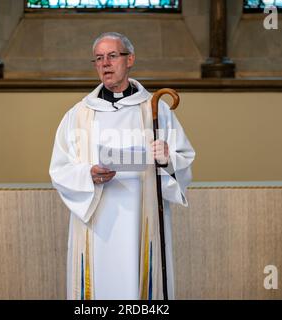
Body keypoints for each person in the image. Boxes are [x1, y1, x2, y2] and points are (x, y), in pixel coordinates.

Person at [49, 32, 195, 300]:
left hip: (143, 215)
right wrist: (87, 174)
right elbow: (59, 169)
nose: (105, 63)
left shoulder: (155, 110)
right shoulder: (78, 114)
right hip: (96, 221)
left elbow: (183, 159)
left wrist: (166, 158)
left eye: (112, 56)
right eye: (99, 58)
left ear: (130, 60)